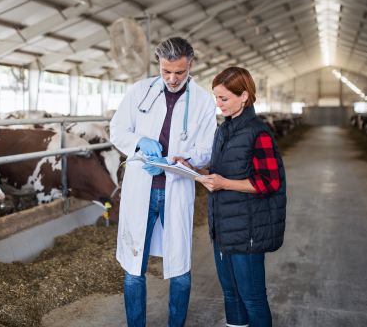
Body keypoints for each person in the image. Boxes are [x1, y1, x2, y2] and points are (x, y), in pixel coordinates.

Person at [110, 37, 217, 327]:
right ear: (159, 64)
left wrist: (184, 159)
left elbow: (207, 149)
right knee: (134, 267)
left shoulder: (204, 101)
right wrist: (139, 141)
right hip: (140, 190)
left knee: (180, 268)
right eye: (166, 71)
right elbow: (117, 130)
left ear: (190, 65)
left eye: (179, 72)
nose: (172, 79)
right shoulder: (139, 91)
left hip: (176, 189)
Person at [175, 66, 286, 327]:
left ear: (244, 96)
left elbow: (270, 182)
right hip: (222, 226)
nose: (218, 104)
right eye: (216, 97)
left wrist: (224, 183)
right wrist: (195, 171)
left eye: (223, 98)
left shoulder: (258, 133)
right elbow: (220, 172)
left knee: (253, 297)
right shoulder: (224, 130)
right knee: (231, 295)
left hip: (247, 228)